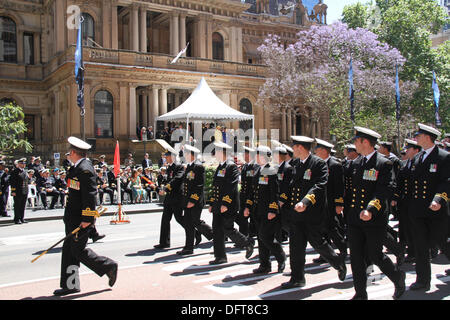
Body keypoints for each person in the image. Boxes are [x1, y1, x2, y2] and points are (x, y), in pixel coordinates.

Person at [53, 136, 117, 296]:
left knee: (77, 251)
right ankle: (71, 284)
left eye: (69, 152)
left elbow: (89, 196)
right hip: (73, 217)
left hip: (80, 219)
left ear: (74, 152)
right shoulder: (77, 167)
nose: (68, 154)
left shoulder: (85, 169)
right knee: (69, 251)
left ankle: (108, 266)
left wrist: (87, 219)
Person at [346, 127, 405, 300]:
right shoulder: (355, 163)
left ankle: (397, 277)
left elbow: (384, 190)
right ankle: (361, 293)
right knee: (356, 258)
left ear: (365, 142)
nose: (354, 143)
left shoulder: (383, 163)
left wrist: (370, 209)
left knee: (375, 255)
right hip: (355, 218)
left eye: (356, 140)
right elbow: (350, 191)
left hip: (374, 218)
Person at [282, 136, 346, 289]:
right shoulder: (295, 163)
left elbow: (319, 186)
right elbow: (291, 185)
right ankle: (297, 278)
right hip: (296, 213)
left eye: (294, 147)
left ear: (301, 148)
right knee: (295, 246)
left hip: (312, 213)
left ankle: (338, 263)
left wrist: (305, 202)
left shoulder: (318, 164)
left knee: (318, 243)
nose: (293, 150)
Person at [407, 123, 449, 291]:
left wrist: (439, 200)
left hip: (435, 210)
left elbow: (446, 182)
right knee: (421, 246)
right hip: (418, 210)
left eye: (418, 135)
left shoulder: (443, 157)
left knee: (443, 244)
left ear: (427, 137)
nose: (416, 137)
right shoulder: (417, 158)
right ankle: (422, 280)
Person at [208, 141, 254, 265]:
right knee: (217, 231)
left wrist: (225, 203)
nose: (215, 154)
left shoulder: (231, 166)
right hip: (218, 205)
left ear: (222, 153)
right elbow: (216, 186)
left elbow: (231, 186)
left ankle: (247, 242)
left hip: (228, 205)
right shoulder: (220, 166)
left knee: (228, 229)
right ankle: (220, 257)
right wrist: (212, 203)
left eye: (216, 152)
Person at [244, 145, 286, 274]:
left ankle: (281, 256)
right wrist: (248, 206)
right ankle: (265, 265)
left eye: (257, 155)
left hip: (268, 211)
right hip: (257, 210)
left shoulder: (272, 171)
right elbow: (253, 192)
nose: (255, 157)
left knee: (265, 236)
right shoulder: (257, 170)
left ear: (262, 156)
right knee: (261, 239)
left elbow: (275, 193)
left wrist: (273, 210)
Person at [313, 138, 347, 263]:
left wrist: (339, 203)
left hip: (331, 202)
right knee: (322, 229)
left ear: (323, 150)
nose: (315, 152)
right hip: (320, 203)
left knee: (333, 229)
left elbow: (339, 186)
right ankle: (326, 255)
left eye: (317, 149)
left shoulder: (335, 165)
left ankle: (343, 250)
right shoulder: (317, 164)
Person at [177, 145, 213, 255]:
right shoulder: (189, 166)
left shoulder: (198, 167)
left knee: (195, 221)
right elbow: (186, 183)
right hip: (188, 200)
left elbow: (199, 186)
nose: (185, 156)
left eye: (187, 154)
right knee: (189, 223)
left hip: (195, 201)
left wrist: (192, 200)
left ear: (192, 155)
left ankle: (214, 234)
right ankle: (188, 248)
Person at [391, 139, 422, 263]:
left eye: (408, 149)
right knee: (405, 228)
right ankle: (405, 251)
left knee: (415, 228)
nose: (406, 151)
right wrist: (395, 197)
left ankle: (415, 252)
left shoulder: (420, 164)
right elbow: (399, 183)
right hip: (405, 202)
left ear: (416, 150)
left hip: (416, 201)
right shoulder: (404, 164)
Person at [154, 149, 186, 249]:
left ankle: (194, 232)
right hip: (169, 197)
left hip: (177, 197)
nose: (165, 158)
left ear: (172, 157)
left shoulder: (179, 166)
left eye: (167, 157)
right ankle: (164, 242)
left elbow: (176, 180)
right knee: (165, 219)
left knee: (179, 218)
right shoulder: (169, 168)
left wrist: (165, 188)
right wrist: (160, 187)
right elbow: (166, 180)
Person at [238, 146, 258, 237]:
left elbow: (252, 183)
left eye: (245, 154)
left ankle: (254, 233)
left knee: (253, 217)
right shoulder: (245, 166)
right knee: (243, 217)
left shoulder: (255, 166)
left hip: (251, 195)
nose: (244, 155)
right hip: (244, 195)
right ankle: (243, 237)